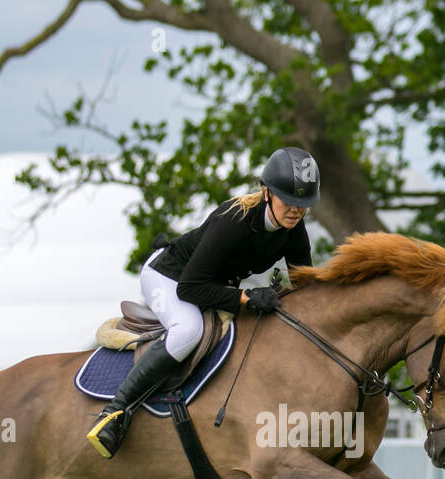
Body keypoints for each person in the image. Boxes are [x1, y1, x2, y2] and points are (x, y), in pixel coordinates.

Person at [87, 146, 320, 458]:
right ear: (266, 193)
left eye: (303, 204)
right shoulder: (234, 220)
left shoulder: (294, 228)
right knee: (188, 330)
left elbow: (305, 283)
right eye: (288, 201)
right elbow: (190, 288)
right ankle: (114, 414)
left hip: (208, 284)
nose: (295, 210)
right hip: (169, 276)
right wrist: (246, 297)